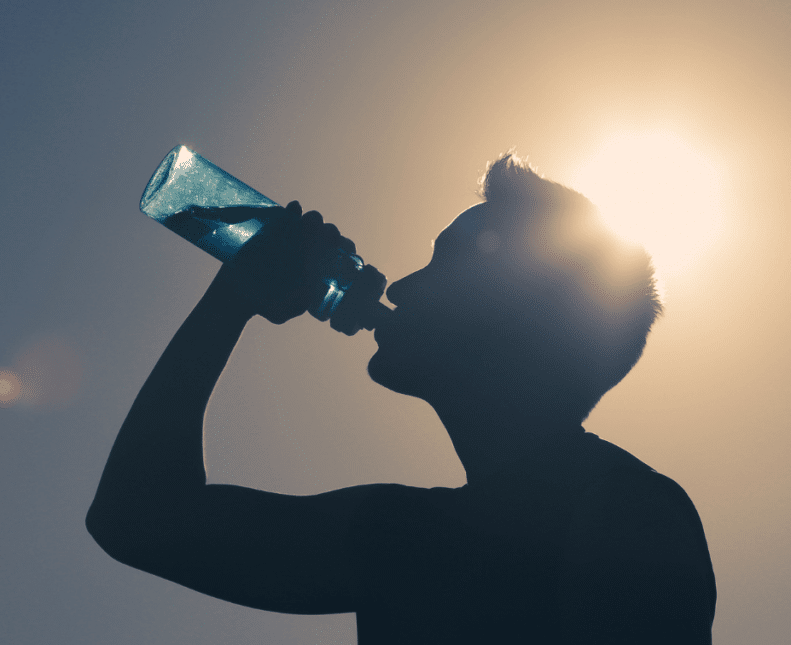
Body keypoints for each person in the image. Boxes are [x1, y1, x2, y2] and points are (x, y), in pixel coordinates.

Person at [86, 154, 716, 643]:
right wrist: (233, 298)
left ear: (515, 317)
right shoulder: (410, 536)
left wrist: (231, 303)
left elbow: (137, 520)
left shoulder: (623, 516)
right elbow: (135, 522)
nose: (403, 286)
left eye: (445, 264)